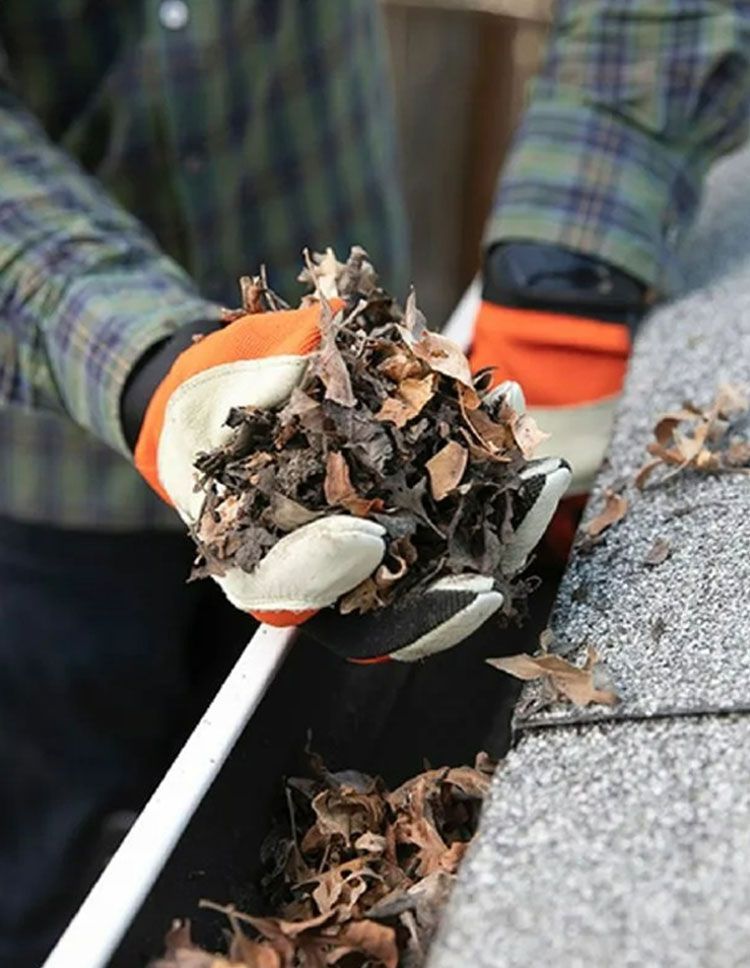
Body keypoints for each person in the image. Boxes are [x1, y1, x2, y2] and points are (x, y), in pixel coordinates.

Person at [2, 0, 741, 963]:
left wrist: (567, 272)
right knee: (54, 883)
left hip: (344, 365)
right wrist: (144, 365)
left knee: (291, 788)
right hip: (45, 484)